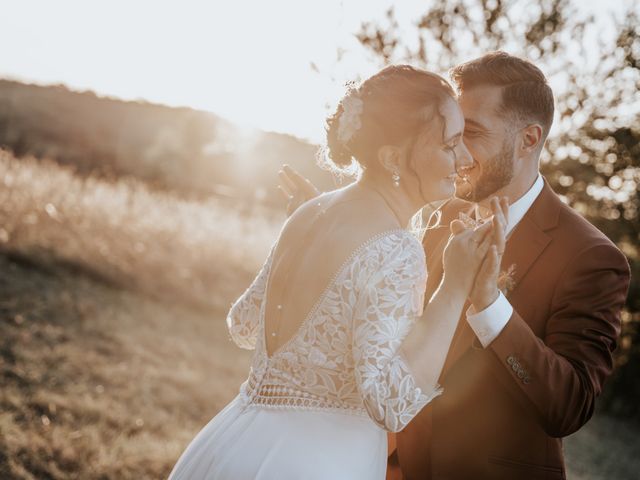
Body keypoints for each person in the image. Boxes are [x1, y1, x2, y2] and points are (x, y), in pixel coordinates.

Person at [278, 52, 631, 479]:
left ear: (529, 139)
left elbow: (568, 408)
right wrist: (336, 233)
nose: (458, 151)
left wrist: (488, 302)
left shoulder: (590, 257)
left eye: (475, 132)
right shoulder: (436, 214)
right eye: (454, 132)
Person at [168, 65, 508, 480]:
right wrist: (455, 287)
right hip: (316, 462)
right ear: (393, 158)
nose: (466, 158)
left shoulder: (309, 211)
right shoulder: (396, 248)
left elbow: (243, 323)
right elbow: (391, 404)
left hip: (236, 439)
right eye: (450, 144)